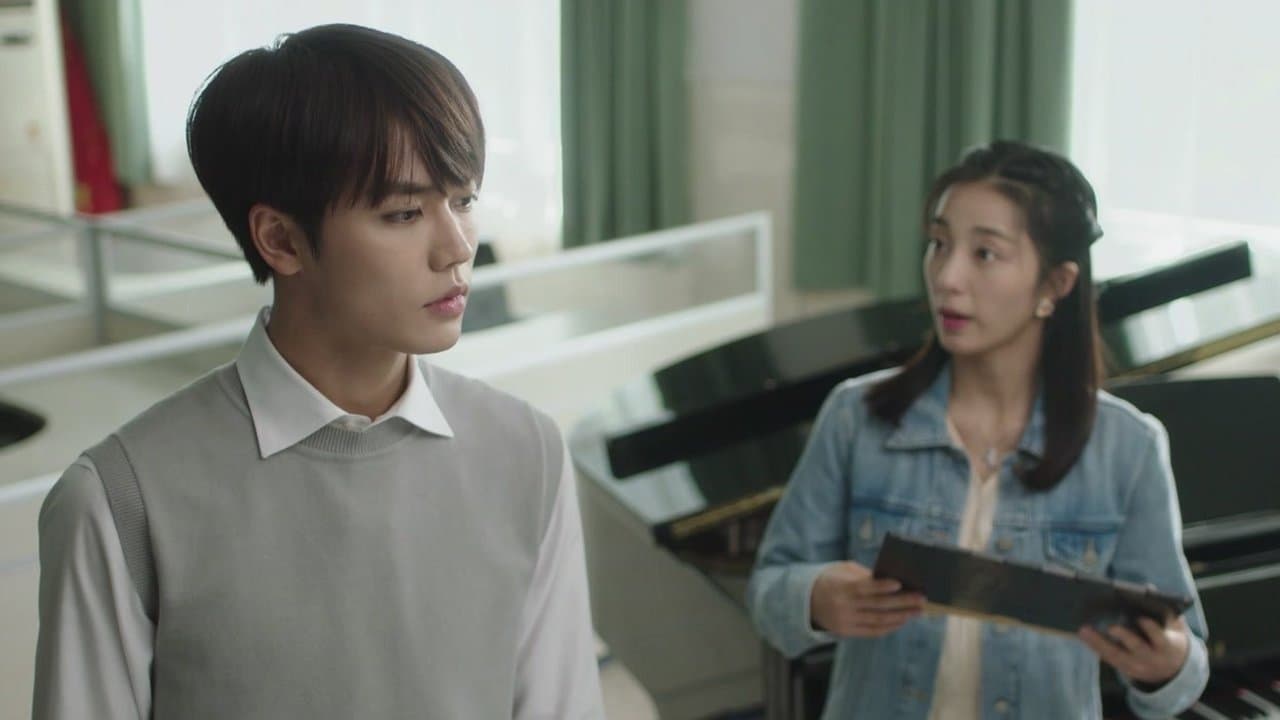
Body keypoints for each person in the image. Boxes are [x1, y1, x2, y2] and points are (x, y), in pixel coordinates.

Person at [33, 24, 604, 720]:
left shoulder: (526, 452)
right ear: (280, 239)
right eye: (403, 212)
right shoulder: (121, 501)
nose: (457, 247)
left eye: (463, 200)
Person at [746, 141, 1208, 719]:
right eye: (939, 244)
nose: (947, 277)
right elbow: (768, 590)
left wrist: (1167, 662)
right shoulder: (854, 417)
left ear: (1055, 285)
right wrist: (814, 598)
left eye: (985, 253)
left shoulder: (1129, 448)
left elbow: (1186, 662)